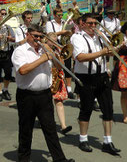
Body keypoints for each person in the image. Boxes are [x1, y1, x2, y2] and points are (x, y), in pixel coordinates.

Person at [11, 24, 75, 162]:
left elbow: (60, 66)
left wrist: (55, 54)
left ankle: (60, 159)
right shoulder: (20, 51)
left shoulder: (44, 50)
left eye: (41, 36)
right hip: (26, 95)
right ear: (28, 35)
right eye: (35, 36)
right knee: (26, 129)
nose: (38, 39)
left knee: (50, 128)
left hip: (44, 95)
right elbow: (23, 70)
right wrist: (42, 59)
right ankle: (24, 159)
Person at [71, 13, 121, 156]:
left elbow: (110, 53)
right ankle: (83, 139)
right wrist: (102, 52)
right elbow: (80, 57)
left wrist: (114, 49)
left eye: (96, 23)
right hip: (86, 78)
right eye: (91, 23)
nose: (94, 26)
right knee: (86, 109)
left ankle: (107, 141)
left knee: (108, 108)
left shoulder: (100, 36)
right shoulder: (77, 37)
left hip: (102, 76)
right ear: (83, 23)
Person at [46, 8, 74, 99]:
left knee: (68, 66)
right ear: (54, 15)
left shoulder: (64, 22)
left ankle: (69, 88)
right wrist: (61, 32)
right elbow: (49, 35)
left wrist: (70, 32)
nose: (61, 17)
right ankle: (55, 86)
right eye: (59, 15)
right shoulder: (50, 23)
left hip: (64, 46)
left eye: (62, 15)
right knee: (56, 67)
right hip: (55, 46)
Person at [47, 32, 72, 135]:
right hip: (46, 76)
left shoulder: (58, 50)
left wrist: (59, 55)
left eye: (55, 41)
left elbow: (60, 66)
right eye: (51, 41)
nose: (54, 43)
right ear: (46, 40)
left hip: (57, 75)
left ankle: (63, 126)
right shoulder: (41, 50)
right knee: (45, 103)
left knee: (59, 101)